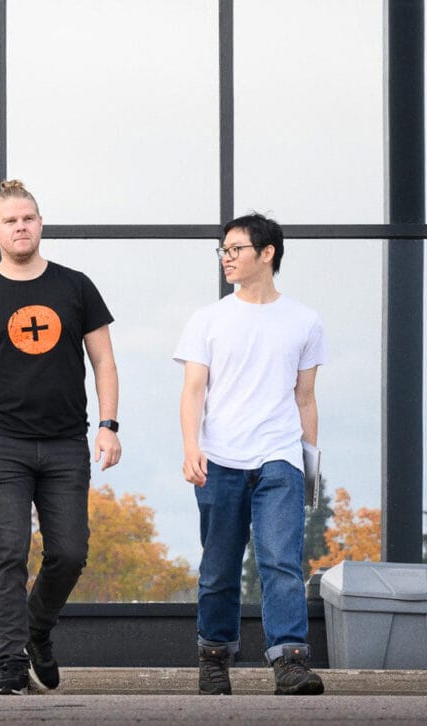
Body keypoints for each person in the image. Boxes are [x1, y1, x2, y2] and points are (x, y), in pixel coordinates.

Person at [0, 179, 122, 696]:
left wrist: (108, 425)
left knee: (70, 552)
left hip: (66, 441)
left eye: (29, 218)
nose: (21, 227)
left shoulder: (76, 286)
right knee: (7, 550)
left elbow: (104, 360)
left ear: (40, 224)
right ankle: (9, 662)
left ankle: (37, 628)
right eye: (10, 220)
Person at [177, 212, 326, 696]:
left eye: (235, 249)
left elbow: (305, 397)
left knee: (281, 561)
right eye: (222, 250)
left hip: (279, 457)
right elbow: (193, 390)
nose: (226, 258)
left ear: (267, 254)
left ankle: (290, 661)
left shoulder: (305, 320)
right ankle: (215, 658)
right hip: (219, 459)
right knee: (219, 567)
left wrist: (310, 466)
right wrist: (190, 446)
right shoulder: (209, 319)